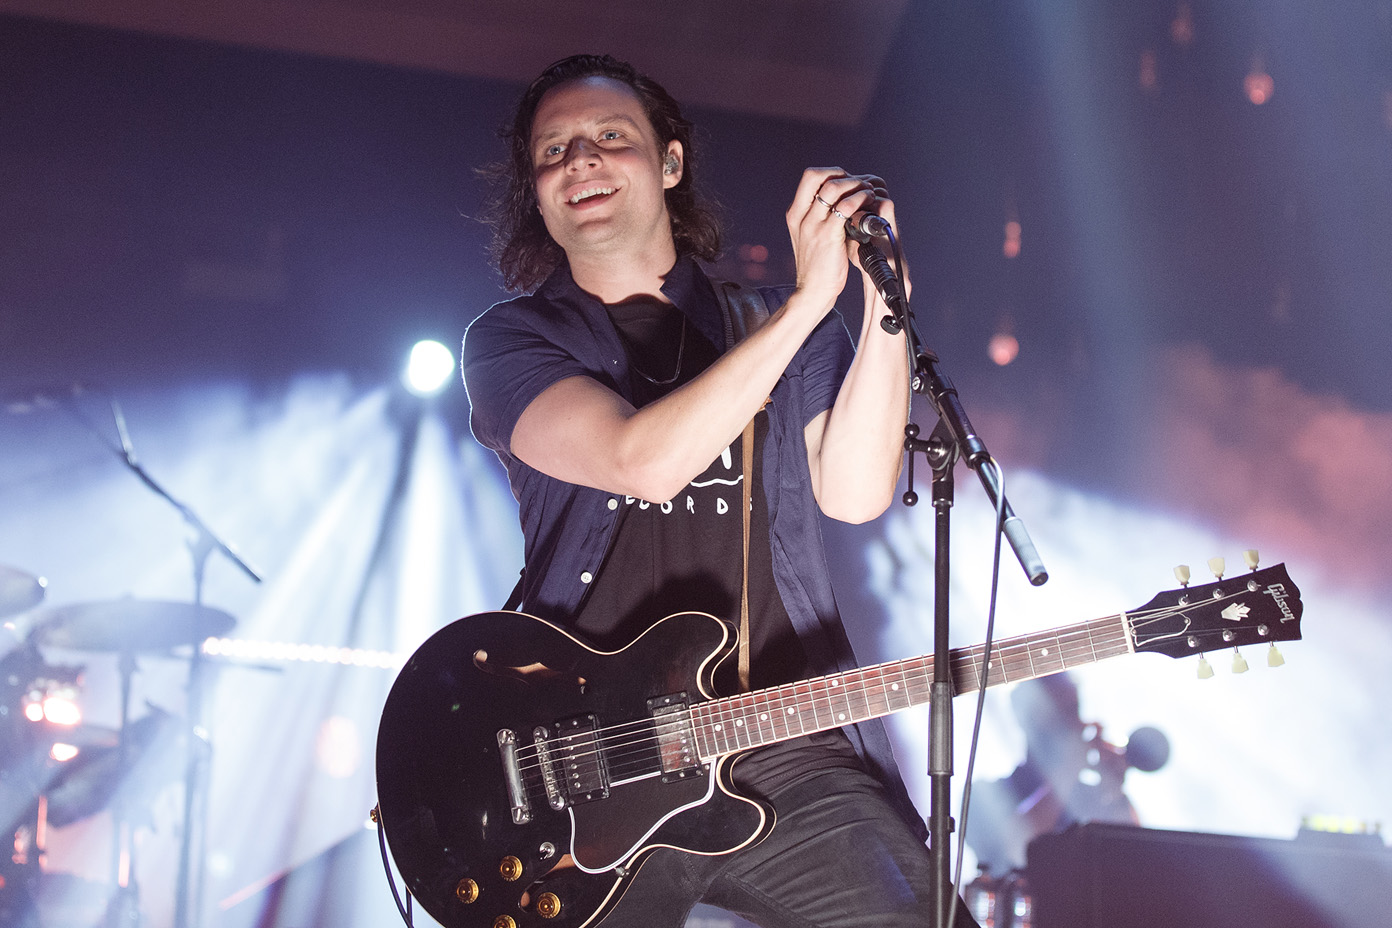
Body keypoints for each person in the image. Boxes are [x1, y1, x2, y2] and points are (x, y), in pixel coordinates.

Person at [463, 53, 975, 928]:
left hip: (781, 744)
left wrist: (883, 298)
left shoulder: (777, 322)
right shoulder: (513, 341)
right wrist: (809, 304)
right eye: (553, 152)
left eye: (609, 138)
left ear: (669, 163)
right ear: (538, 195)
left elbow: (854, 493)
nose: (579, 160)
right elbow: (641, 462)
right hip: (596, 759)